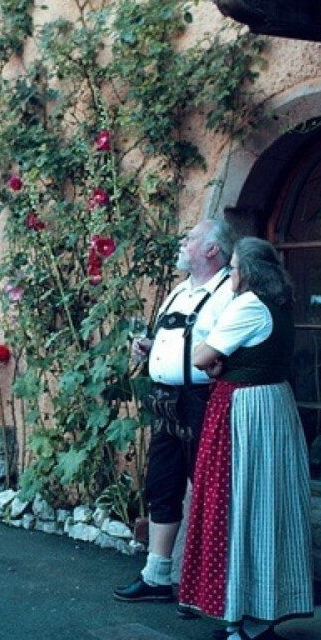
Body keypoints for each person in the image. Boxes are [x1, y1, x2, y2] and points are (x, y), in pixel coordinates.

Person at [179, 237, 313, 640]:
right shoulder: (277, 307)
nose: (231, 274)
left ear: (249, 272)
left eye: (234, 267)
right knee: (266, 507)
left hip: (247, 413)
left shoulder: (249, 305)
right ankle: (257, 611)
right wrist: (220, 360)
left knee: (243, 506)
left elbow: (202, 356)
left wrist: (215, 360)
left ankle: (249, 618)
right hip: (270, 406)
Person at [113, 218, 236, 606]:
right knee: (162, 484)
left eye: (191, 238)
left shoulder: (229, 291)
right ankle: (157, 576)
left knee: (210, 491)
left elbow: (227, 346)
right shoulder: (179, 291)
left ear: (213, 249)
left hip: (203, 403)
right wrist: (150, 348)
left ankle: (212, 584)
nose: (183, 242)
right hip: (165, 400)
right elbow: (183, 340)